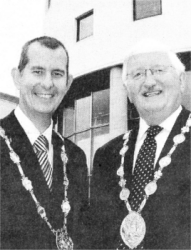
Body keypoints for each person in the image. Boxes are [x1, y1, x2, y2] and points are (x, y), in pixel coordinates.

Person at [90, 39, 191, 249]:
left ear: (181, 81)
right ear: (128, 92)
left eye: (158, 70)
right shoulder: (106, 155)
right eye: (138, 74)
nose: (149, 81)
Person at [0, 36, 88, 249]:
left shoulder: (75, 156)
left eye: (57, 74)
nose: (47, 83)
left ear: (68, 83)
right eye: (38, 71)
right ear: (17, 77)